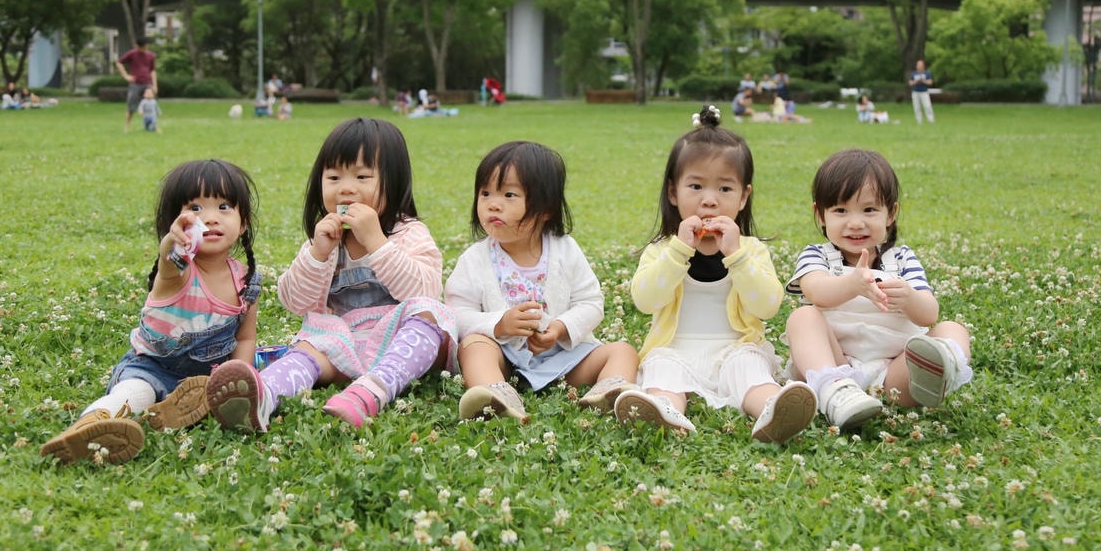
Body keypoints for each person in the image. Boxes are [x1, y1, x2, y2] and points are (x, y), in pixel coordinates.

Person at [205, 118, 457, 433]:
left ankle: (370, 392)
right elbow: (294, 301)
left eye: (363, 176)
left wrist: (377, 242)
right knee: (308, 348)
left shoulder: (409, 234)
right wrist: (317, 254)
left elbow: (424, 290)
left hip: (397, 342)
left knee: (431, 315)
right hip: (342, 343)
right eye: (334, 176)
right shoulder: (324, 240)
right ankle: (262, 396)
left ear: (394, 183)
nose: (346, 187)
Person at [613, 105, 817, 444]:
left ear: (743, 197)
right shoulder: (663, 249)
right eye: (695, 187)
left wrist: (736, 256)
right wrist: (679, 250)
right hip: (675, 348)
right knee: (663, 369)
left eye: (725, 189)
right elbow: (645, 301)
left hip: (735, 348)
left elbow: (767, 306)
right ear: (673, 192)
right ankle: (664, 410)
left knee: (749, 369)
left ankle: (772, 408)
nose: (709, 201)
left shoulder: (749, 250)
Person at [40, 160, 262, 464]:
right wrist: (172, 243)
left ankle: (168, 412)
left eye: (224, 207)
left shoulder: (246, 281)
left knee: (220, 399)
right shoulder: (178, 269)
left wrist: (235, 377)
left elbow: (246, 337)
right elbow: (171, 258)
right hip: (152, 368)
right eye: (195, 209)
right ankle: (90, 425)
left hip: (203, 381)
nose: (210, 218)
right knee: (133, 392)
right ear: (176, 222)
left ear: (244, 222)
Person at [446, 141, 640, 422]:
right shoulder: (475, 259)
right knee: (474, 346)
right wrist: (498, 325)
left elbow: (591, 302)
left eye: (509, 194)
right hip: (504, 360)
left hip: (563, 358)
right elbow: (456, 313)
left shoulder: (565, 250)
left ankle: (607, 393)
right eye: (485, 193)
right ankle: (494, 394)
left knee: (623, 351)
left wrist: (561, 329)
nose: (493, 204)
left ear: (545, 208)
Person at [782, 149, 972, 431]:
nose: (856, 222)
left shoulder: (902, 258)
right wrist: (852, 284)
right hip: (836, 363)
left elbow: (928, 314)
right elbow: (816, 292)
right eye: (840, 210)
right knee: (802, 318)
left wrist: (909, 298)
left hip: (893, 374)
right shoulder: (816, 256)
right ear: (820, 215)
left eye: (869, 210)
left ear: (890, 213)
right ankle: (835, 392)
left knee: (953, 329)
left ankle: (939, 369)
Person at [116, 36, 158, 132]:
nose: (145, 48)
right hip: (135, 84)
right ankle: (126, 126)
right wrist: (126, 76)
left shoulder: (151, 55)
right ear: (137, 46)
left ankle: (152, 126)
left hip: (148, 83)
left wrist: (155, 85)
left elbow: (153, 71)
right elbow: (119, 63)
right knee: (131, 106)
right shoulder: (132, 53)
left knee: (151, 105)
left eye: (146, 46)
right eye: (142, 47)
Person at [909, 59, 935, 124]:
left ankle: (931, 120)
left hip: (924, 92)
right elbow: (910, 83)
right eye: (918, 65)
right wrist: (916, 81)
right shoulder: (913, 73)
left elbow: (930, 82)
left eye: (920, 65)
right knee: (917, 107)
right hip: (915, 92)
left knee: (927, 106)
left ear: (923, 66)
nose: (919, 66)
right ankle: (919, 121)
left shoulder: (927, 73)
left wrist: (923, 81)